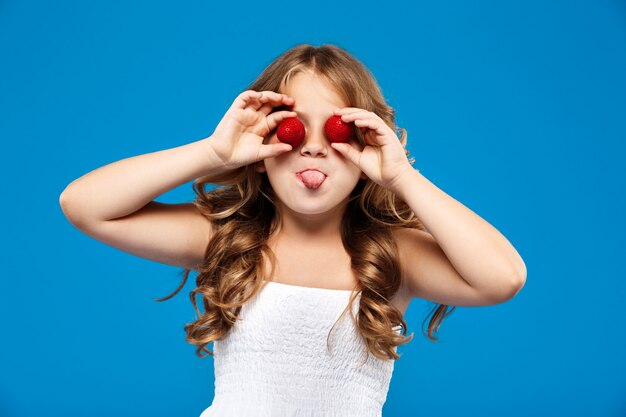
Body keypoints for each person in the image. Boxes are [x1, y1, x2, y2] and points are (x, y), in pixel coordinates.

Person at [59, 43, 527, 416]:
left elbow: (502, 277)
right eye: (294, 131)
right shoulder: (226, 239)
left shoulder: (392, 254)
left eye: (338, 134)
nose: (315, 150)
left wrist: (402, 176)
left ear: (367, 151)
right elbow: (84, 205)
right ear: (261, 148)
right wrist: (213, 153)